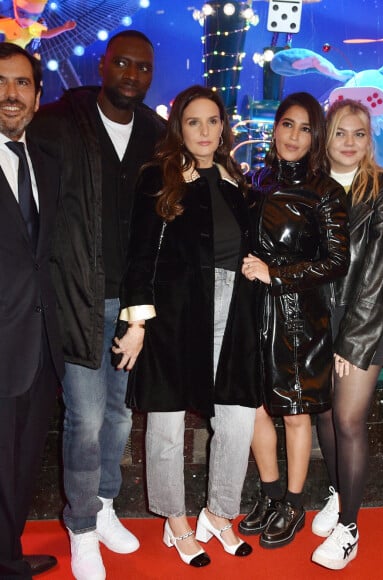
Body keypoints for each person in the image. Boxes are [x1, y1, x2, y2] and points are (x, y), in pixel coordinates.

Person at [27, 30, 166, 580]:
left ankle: (105, 506)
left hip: (134, 302)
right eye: (123, 64)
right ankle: (81, 527)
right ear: (104, 65)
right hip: (77, 296)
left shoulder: (157, 133)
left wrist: (144, 309)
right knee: (84, 419)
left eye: (143, 68)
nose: (132, 75)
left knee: (118, 413)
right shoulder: (59, 123)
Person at [113, 84, 260, 568]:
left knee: (237, 418)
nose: (204, 130)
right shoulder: (160, 176)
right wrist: (137, 322)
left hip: (233, 311)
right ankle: (175, 521)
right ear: (179, 127)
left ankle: (218, 513)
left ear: (223, 127)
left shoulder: (237, 181)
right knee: (168, 419)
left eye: (212, 121)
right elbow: (139, 257)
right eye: (193, 121)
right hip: (174, 312)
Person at [238, 92, 349, 549]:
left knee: (296, 413)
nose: (294, 136)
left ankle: (294, 501)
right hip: (249, 311)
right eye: (287, 124)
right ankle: (268, 494)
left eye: (305, 128)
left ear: (315, 137)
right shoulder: (253, 180)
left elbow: (338, 260)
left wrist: (276, 274)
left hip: (297, 317)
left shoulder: (325, 191)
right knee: (254, 408)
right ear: (276, 127)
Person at [309, 99, 383, 570]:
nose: (350, 143)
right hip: (314, 319)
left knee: (348, 420)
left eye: (360, 134)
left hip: (364, 321)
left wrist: (353, 340)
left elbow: (379, 273)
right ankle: (337, 492)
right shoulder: (310, 185)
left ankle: (349, 526)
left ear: (370, 139)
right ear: (327, 136)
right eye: (341, 133)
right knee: (323, 417)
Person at [0, 41, 63, 580]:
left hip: (42, 345)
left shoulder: (45, 162)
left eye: (22, 83)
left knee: (19, 463)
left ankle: (6, 554)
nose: (10, 93)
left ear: (38, 97)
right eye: (0, 81)